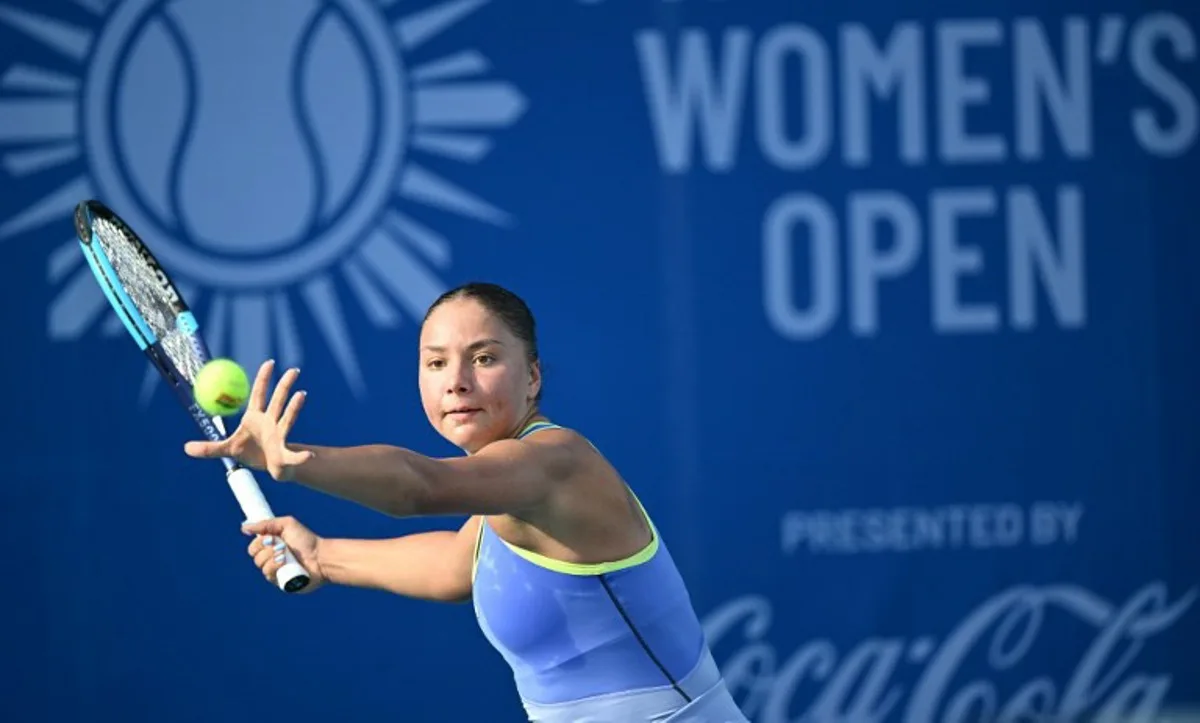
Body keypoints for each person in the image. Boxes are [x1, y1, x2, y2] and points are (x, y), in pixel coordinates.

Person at [184, 282, 749, 723]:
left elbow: (420, 486)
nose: (456, 381)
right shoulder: (502, 500)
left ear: (532, 377)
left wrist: (296, 460)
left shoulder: (556, 463)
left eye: (483, 358)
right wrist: (322, 556)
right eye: (436, 363)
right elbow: (457, 566)